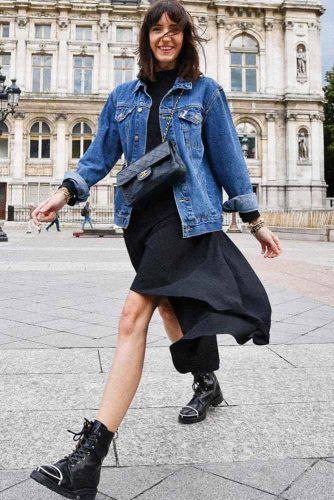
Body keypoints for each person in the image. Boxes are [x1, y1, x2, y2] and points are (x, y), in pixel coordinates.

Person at [30, 1, 282, 498]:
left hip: (188, 218)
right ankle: (206, 381)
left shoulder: (206, 93)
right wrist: (63, 193)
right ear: (145, 37)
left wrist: (254, 220)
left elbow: (229, 155)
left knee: (133, 316)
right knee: (169, 306)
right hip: (140, 221)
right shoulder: (122, 96)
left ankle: (89, 458)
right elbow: (100, 154)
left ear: (187, 38)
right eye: (157, 30)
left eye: (175, 30)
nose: (165, 37)